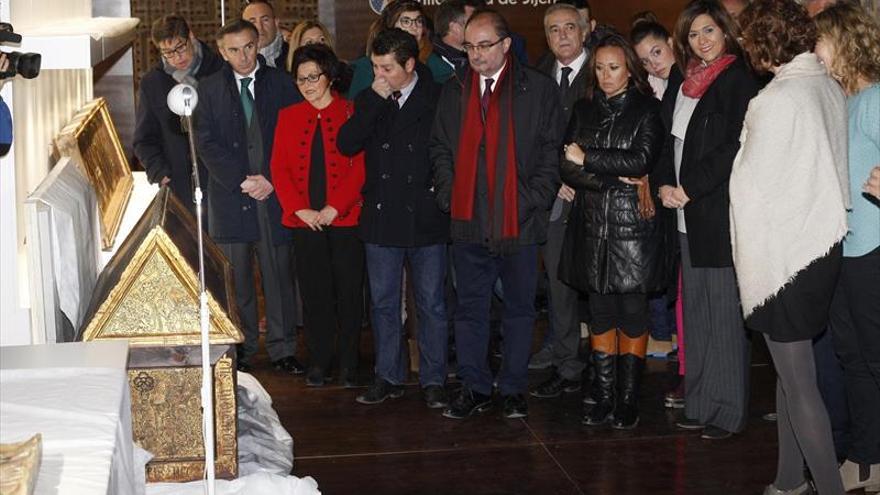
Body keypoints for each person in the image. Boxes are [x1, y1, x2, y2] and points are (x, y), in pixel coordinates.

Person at [732, 2, 849, 493]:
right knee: (789, 372)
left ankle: (828, 489)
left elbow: (751, 190)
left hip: (786, 258)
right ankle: (787, 481)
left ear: (761, 42)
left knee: (800, 383)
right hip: (821, 247)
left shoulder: (776, 99)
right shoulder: (824, 84)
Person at [429, 9, 562, 420]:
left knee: (520, 311)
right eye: (469, 46)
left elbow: (551, 153)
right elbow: (440, 148)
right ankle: (474, 386)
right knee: (470, 310)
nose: (475, 55)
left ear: (506, 45)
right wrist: (452, 195)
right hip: (468, 222)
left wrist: (529, 199)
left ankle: (512, 388)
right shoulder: (454, 89)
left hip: (518, 223)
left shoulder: (536, 89)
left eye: (484, 46)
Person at [655, 0, 759, 441]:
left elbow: (733, 148)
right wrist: (663, 183)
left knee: (721, 317)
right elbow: (664, 139)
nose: (701, 41)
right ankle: (698, 404)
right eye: (693, 34)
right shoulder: (684, 80)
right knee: (694, 316)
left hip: (713, 213)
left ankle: (727, 411)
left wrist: (689, 187)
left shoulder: (738, 81)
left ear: (725, 32)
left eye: (708, 31)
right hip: (681, 214)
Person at [336, 28, 450, 408]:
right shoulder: (371, 96)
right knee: (384, 302)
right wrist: (371, 100)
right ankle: (389, 376)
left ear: (410, 64)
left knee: (431, 302)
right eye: (375, 66)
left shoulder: (438, 96)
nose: (379, 74)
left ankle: (434, 379)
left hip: (426, 213)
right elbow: (346, 143)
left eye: (386, 68)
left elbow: (449, 152)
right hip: (382, 214)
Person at [558, 34, 665, 429]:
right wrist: (611, 180)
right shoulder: (583, 108)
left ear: (629, 69)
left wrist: (588, 158)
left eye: (614, 67)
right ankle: (603, 396)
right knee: (600, 313)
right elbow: (565, 167)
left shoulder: (647, 110)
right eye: (599, 67)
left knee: (633, 313)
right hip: (590, 224)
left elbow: (640, 160)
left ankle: (628, 398)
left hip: (633, 230)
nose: (605, 75)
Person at [194, 19, 303, 375]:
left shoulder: (283, 85)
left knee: (278, 277)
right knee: (236, 279)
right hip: (231, 197)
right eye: (234, 50)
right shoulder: (206, 90)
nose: (243, 56)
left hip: (275, 196)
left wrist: (271, 179)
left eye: (249, 47)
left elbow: (296, 138)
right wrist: (242, 180)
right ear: (222, 52)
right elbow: (204, 142)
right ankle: (242, 349)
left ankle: (284, 349)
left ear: (259, 45)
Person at [270, 44, 366, 388]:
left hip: (345, 218)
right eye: (301, 79)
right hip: (304, 220)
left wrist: (334, 207)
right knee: (314, 294)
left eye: (314, 77)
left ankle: (350, 363)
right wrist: (300, 208)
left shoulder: (352, 111)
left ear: (330, 77)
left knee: (349, 293)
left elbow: (360, 169)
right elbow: (279, 168)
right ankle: (319, 360)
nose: (307, 85)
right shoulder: (288, 116)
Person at [815, 3, 880, 491]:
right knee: (853, 359)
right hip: (844, 247)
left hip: (872, 251)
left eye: (820, 42)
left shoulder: (876, 99)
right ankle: (866, 459)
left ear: (845, 43)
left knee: (873, 359)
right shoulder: (842, 100)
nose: (814, 52)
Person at [528, 2, 590, 397]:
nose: (563, 35)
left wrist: (575, 176)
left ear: (584, 30)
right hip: (555, 199)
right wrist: (555, 178)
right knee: (559, 287)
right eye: (554, 29)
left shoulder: (604, 70)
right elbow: (533, 139)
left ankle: (606, 370)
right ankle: (568, 366)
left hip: (596, 196)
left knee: (601, 291)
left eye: (570, 27)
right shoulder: (537, 75)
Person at [631, 18, 687, 410]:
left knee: (688, 291)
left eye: (657, 52)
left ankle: (691, 370)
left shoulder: (688, 82)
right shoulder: (655, 92)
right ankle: (686, 367)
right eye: (645, 61)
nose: (654, 64)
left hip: (690, 199)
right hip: (667, 200)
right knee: (678, 288)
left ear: (670, 42)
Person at [133, 14, 224, 209]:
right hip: (179, 184)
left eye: (180, 48)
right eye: (167, 53)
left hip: (222, 180)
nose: (177, 58)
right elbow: (143, 139)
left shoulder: (220, 70)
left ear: (191, 36)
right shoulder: (153, 83)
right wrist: (160, 173)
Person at [242, 0, 287, 69]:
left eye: (265, 20)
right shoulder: (228, 60)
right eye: (252, 22)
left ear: (276, 23)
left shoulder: (292, 56)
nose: (259, 27)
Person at [431, 0, 470, 73]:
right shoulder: (432, 66)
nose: (478, 27)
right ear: (455, 28)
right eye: (471, 22)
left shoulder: (474, 57)